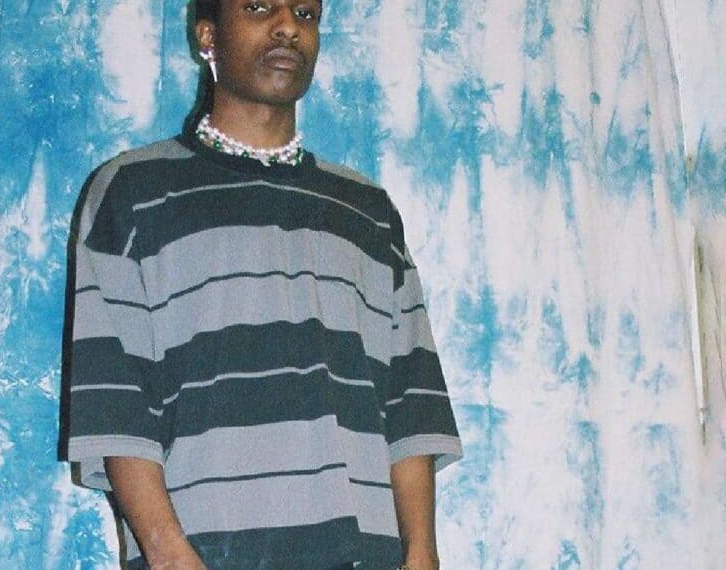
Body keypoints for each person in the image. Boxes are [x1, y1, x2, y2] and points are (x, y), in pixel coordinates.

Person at [61, 1, 462, 568]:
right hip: (206, 554)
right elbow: (115, 403)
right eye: (258, 7)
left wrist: (422, 553)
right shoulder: (133, 195)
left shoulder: (367, 212)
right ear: (207, 35)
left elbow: (410, 403)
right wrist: (170, 555)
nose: (288, 27)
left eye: (305, 13)